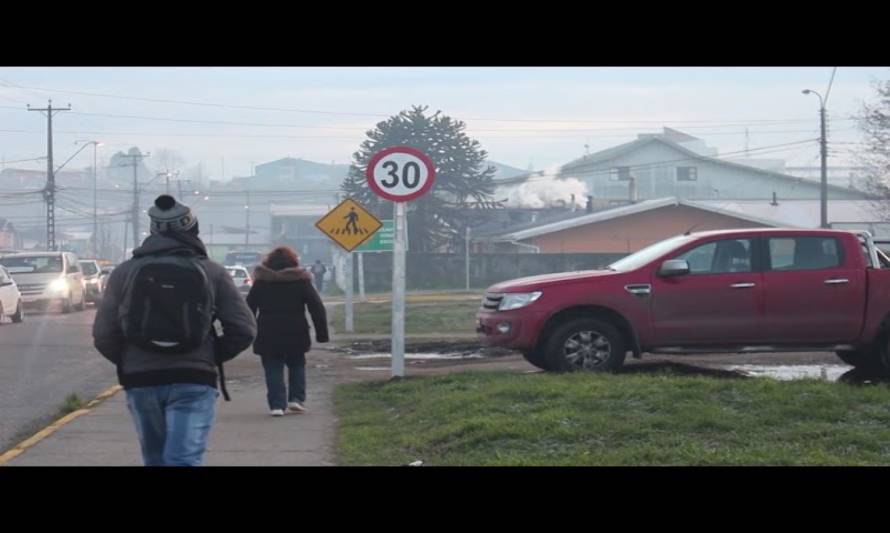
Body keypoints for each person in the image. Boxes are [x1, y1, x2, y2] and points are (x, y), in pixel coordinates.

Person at [93, 195, 257, 466]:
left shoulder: (124, 272)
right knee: (182, 460)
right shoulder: (212, 271)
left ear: (152, 230)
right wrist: (208, 356)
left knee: (156, 460)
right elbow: (244, 328)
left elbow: (103, 334)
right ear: (193, 229)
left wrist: (131, 359)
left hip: (141, 381)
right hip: (193, 379)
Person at [247, 246, 329, 416]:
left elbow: (248, 308)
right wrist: (322, 334)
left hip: (267, 330)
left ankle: (276, 405)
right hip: (295, 329)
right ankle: (296, 400)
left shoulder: (261, 282)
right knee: (297, 363)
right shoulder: (301, 281)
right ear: (293, 261)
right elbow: (317, 307)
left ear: (268, 263)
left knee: (272, 367)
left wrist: (247, 330)